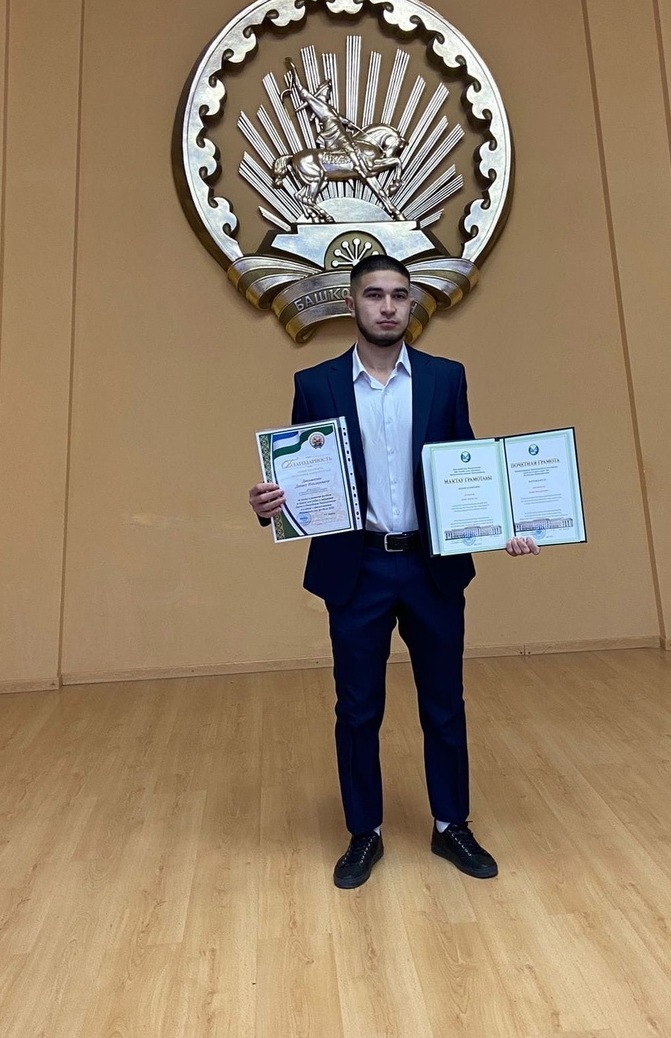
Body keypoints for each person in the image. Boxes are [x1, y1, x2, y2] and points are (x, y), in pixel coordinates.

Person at [249, 254, 539, 889]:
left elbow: (467, 469)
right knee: (357, 710)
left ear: (412, 304)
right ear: (350, 304)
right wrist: (272, 503)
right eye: (374, 295)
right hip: (357, 571)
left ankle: (451, 825)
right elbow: (303, 479)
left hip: (432, 566)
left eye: (399, 295)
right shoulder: (316, 385)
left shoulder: (445, 378)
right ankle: (364, 832)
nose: (387, 306)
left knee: (445, 704)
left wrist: (507, 524)